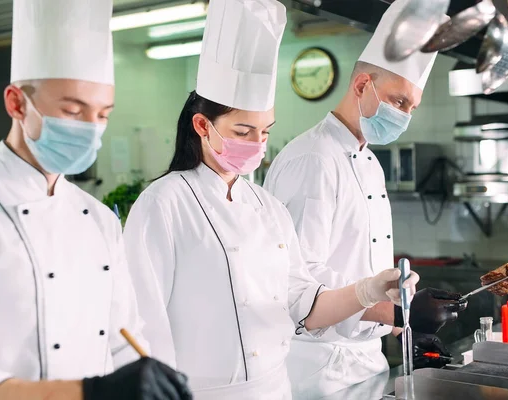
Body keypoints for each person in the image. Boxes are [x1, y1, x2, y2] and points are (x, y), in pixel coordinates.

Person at [123, 1, 420, 399]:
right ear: (202, 125)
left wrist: (368, 291)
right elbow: (138, 323)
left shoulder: (268, 208)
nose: (257, 145)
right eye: (243, 131)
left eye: (265, 132)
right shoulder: (163, 203)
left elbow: (304, 305)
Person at [0, 1, 191, 399]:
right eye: (73, 111)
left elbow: (123, 338)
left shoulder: (97, 218)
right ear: (16, 103)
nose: (91, 129)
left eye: (103, 114)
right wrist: (87, 393)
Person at [263, 0, 467, 398]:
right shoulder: (313, 160)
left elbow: (367, 271)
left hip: (366, 361)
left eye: (411, 107)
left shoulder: (368, 161)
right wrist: (395, 311)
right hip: (319, 369)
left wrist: (405, 324)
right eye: (399, 102)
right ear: (361, 86)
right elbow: (301, 283)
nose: (405, 116)